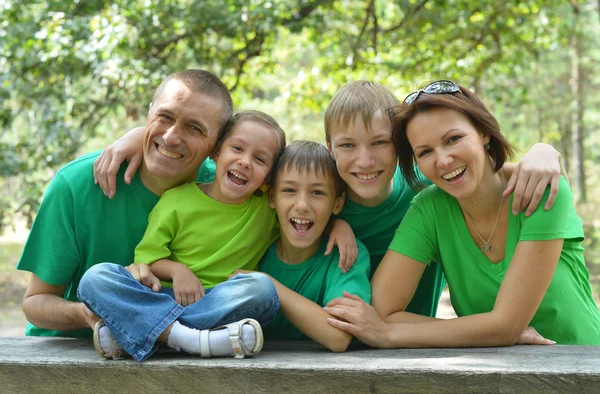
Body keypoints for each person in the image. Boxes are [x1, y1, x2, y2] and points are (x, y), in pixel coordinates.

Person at [95, 80, 565, 318]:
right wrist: (142, 135)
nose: (363, 160)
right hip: (319, 342)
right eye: (346, 146)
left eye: (380, 143)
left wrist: (543, 152)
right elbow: (233, 166)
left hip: (411, 342)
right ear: (329, 149)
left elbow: (474, 166)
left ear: (401, 149)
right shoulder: (318, 191)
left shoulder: (425, 190)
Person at [324, 80, 600, 346]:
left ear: (483, 132)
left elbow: (506, 326)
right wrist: (486, 331)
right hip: (495, 377)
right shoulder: (428, 206)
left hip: (582, 367)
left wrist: (545, 151)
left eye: (454, 139)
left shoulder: (540, 193)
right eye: (425, 151)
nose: (443, 160)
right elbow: (381, 313)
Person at [16, 69, 234, 337]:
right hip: (74, 354)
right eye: (164, 117)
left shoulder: (225, 191)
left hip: (176, 356)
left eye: (195, 128)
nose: (171, 137)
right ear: (148, 115)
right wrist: (92, 314)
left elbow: (280, 179)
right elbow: (35, 303)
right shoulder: (76, 185)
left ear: (217, 146)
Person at [78, 110, 287, 361]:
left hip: (219, 302)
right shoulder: (177, 199)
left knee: (263, 289)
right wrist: (178, 271)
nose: (245, 161)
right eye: (237, 148)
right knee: (95, 278)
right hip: (164, 296)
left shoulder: (267, 210)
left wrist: (337, 228)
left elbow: (305, 213)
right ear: (217, 151)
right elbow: (147, 261)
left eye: (260, 160)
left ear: (269, 177)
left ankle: (148, 332)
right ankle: (195, 340)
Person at [232, 140, 371, 352]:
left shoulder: (347, 254)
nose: (303, 205)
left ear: (337, 203)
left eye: (317, 193)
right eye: (289, 190)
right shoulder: (254, 244)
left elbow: (339, 336)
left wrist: (268, 285)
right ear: (271, 197)